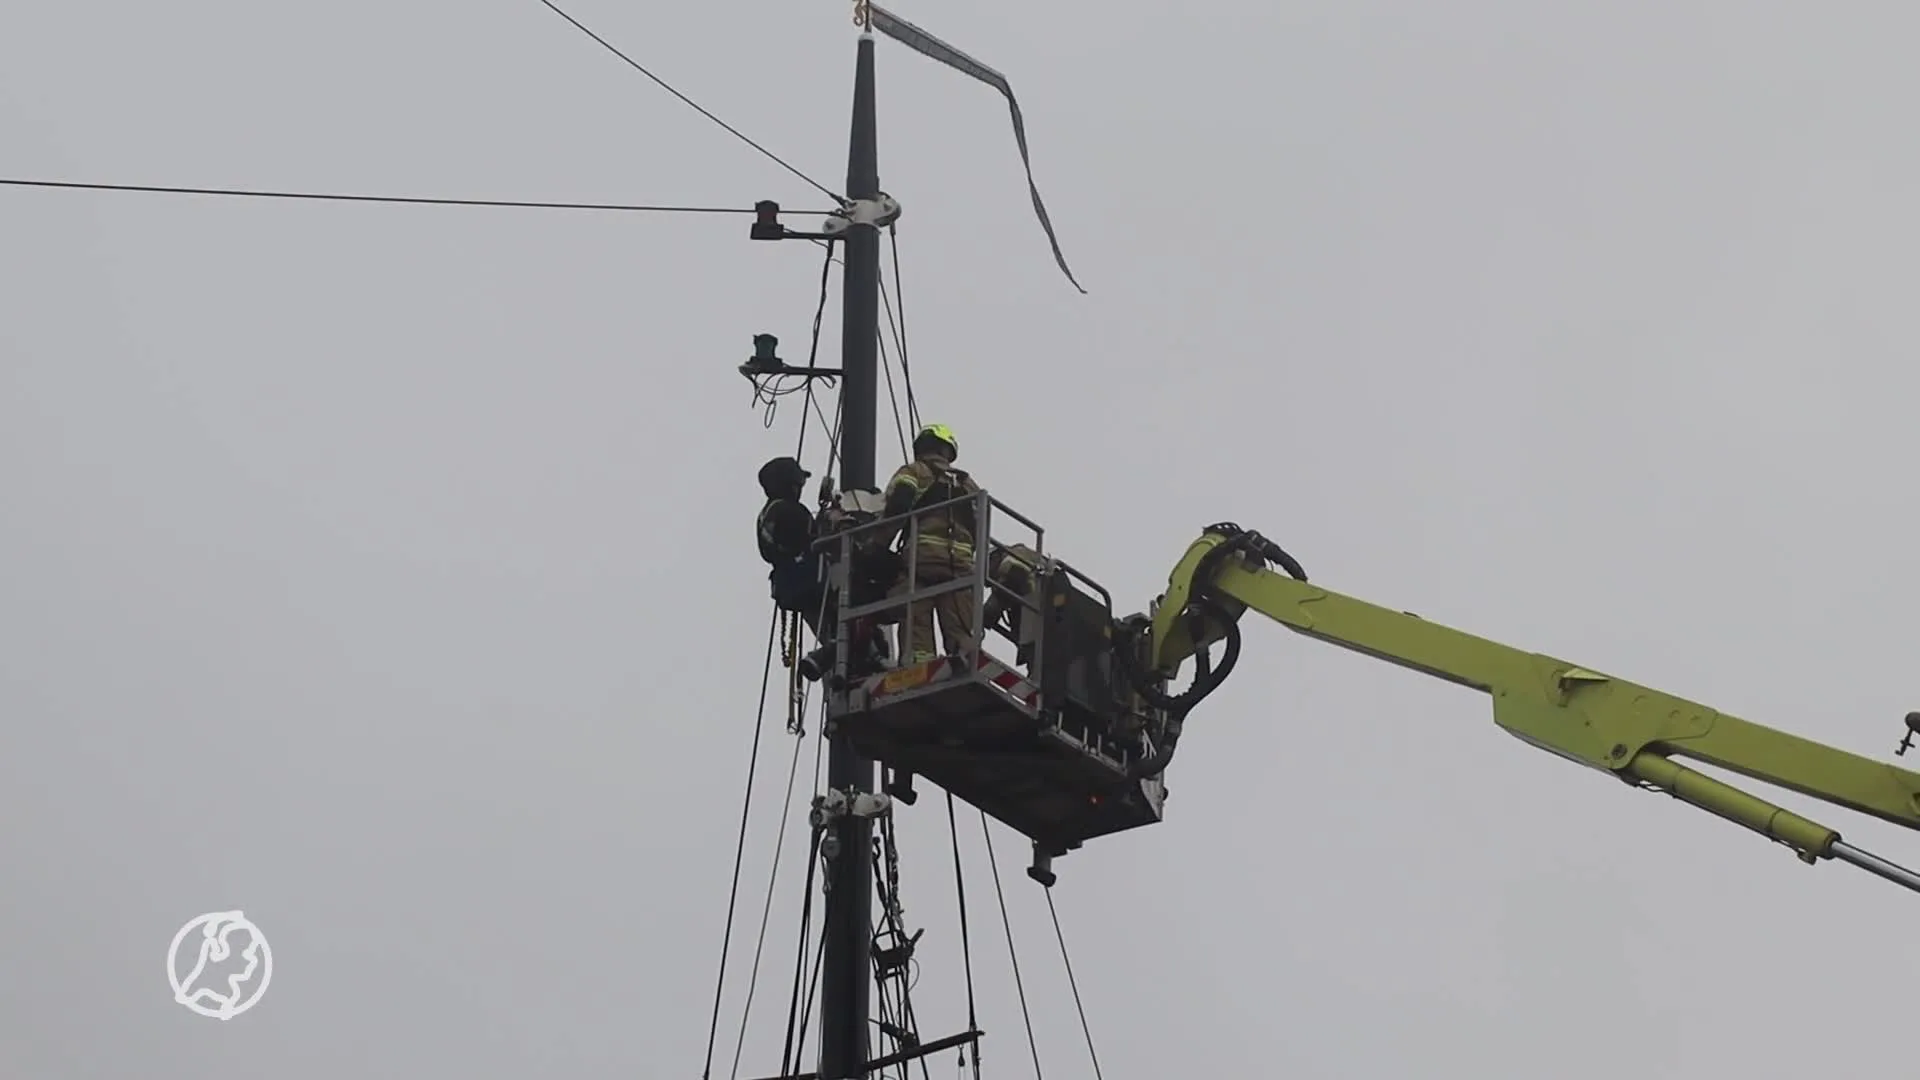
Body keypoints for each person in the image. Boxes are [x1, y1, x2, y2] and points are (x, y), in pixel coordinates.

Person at [875, 423, 982, 665]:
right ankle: (964, 661)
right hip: (960, 567)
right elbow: (980, 526)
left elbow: (898, 504)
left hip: (920, 561)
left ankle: (919, 665)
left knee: (916, 619)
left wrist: (878, 545)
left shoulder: (913, 471)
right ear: (948, 452)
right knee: (960, 626)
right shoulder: (968, 484)